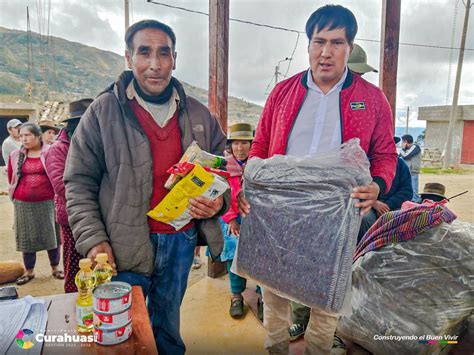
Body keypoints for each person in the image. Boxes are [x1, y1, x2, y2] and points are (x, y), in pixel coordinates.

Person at [64, 20, 229, 354]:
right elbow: (78, 182)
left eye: (163, 53)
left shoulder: (198, 114)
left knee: (167, 328)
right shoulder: (103, 111)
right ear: (129, 57)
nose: (155, 64)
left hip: (180, 242)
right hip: (123, 246)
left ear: (175, 59)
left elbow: (223, 174)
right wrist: (94, 239)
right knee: (124, 334)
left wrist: (217, 203)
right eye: (144, 52)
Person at [239, 5, 397, 354]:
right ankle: (276, 346)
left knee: (326, 299)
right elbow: (260, 146)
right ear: (308, 44)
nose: (326, 52)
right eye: (318, 41)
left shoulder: (371, 99)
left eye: (337, 43)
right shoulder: (283, 92)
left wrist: (378, 187)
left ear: (350, 47)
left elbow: (386, 154)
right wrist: (249, 186)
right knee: (274, 290)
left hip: (335, 216)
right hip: (280, 210)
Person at [288, 41, 380, 344]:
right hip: (309, 211)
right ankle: (300, 321)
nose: (358, 83)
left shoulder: (367, 112)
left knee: (333, 279)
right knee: (301, 271)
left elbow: (386, 169)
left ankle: (332, 333)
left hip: (345, 218)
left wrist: (377, 194)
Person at [45, 99, 93, 293]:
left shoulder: (92, 144)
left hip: (97, 215)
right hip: (73, 217)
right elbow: (61, 186)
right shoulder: (59, 149)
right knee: (75, 265)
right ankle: (73, 304)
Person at [7, 123, 63, 285]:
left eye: (27, 135)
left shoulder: (50, 152)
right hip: (23, 204)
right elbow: (12, 177)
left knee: (52, 235)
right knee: (27, 238)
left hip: (47, 202)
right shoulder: (16, 155)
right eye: (21, 135)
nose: (23, 139)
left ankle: (55, 268)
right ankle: (29, 271)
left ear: (38, 136)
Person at [219, 123, 255, 319]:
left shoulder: (258, 165)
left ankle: (262, 297)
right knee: (234, 255)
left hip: (254, 220)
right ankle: (236, 296)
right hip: (231, 219)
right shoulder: (223, 166)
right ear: (230, 145)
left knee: (258, 256)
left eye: (244, 143)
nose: (240, 148)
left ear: (252, 144)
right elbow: (221, 194)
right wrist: (231, 219)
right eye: (235, 143)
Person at [358, 137, 413, 241]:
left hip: (393, 207)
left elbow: (407, 191)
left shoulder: (401, 165)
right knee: (364, 218)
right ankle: (364, 252)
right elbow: (355, 188)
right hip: (369, 205)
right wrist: (373, 202)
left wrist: (388, 205)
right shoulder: (364, 164)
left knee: (406, 219)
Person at [400, 134, 422, 202]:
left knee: (414, 187)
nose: (401, 144)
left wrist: (402, 149)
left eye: (402, 142)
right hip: (408, 171)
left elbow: (406, 156)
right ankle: (412, 199)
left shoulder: (415, 147)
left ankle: (416, 199)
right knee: (408, 186)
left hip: (413, 171)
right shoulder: (407, 149)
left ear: (406, 141)